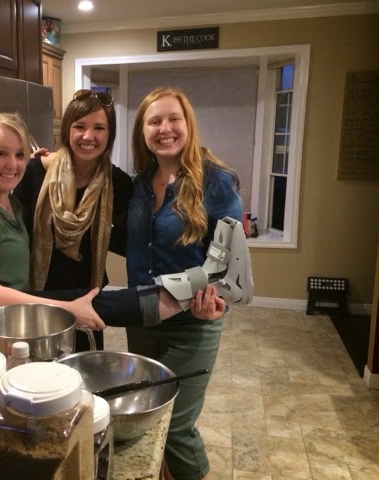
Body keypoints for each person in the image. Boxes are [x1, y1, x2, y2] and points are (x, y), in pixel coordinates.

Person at [0, 112, 224, 348]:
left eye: (19, 154)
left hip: (6, 312)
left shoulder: (9, 199)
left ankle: (170, 298)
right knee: (90, 301)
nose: (12, 164)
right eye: (1, 153)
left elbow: (127, 237)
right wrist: (66, 308)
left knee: (94, 299)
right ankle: (166, 301)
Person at [125, 87, 244, 480]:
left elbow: (227, 264)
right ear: (142, 131)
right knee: (147, 417)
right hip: (142, 320)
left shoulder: (218, 182)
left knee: (175, 425)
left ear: (188, 124)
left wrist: (216, 300)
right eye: (154, 121)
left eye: (174, 119)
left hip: (192, 324)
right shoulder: (138, 185)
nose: (165, 128)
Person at [13, 89, 131, 351]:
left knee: (83, 371)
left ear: (109, 134)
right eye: (80, 126)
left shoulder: (119, 183)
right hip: (37, 296)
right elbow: (14, 234)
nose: (88, 136)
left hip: (86, 298)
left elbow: (128, 241)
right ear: (68, 130)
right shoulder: (34, 171)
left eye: (99, 128)